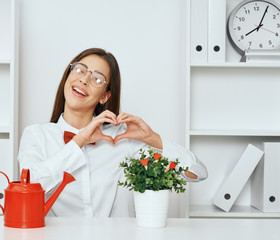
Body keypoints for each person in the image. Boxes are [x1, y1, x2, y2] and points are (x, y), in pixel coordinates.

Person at [18, 48, 207, 217]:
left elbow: (197, 172)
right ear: (68, 76)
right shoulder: (36, 135)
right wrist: (80, 141)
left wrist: (152, 138)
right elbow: (28, 188)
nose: (84, 79)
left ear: (104, 96)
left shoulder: (122, 139)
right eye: (79, 70)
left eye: (97, 79)